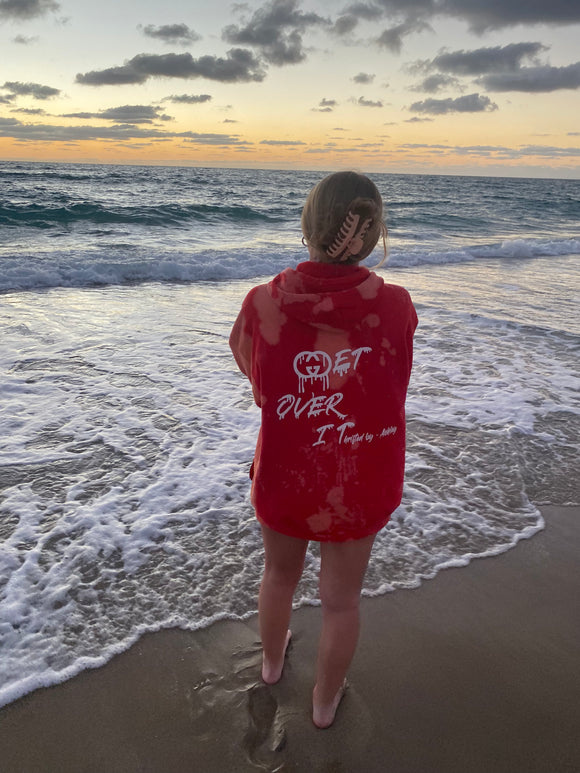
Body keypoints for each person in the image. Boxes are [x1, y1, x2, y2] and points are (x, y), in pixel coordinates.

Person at [229, 171, 417, 728]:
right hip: (362, 473)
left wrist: (300, 395)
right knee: (341, 601)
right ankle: (324, 703)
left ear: (308, 227)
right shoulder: (396, 305)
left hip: (286, 467)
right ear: (374, 234)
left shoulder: (263, 302)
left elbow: (255, 375)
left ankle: (269, 664)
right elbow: (396, 381)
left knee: (277, 577)